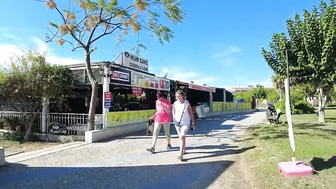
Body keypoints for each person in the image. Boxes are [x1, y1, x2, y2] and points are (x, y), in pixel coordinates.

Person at [172, 90, 196, 160]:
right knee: (181, 137)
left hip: (185, 123)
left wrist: (193, 123)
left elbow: (191, 113)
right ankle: (183, 149)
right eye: (176, 96)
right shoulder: (175, 103)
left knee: (182, 136)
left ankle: (180, 154)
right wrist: (174, 120)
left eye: (179, 96)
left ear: (182, 96)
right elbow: (173, 112)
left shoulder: (187, 103)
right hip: (177, 123)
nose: (177, 97)